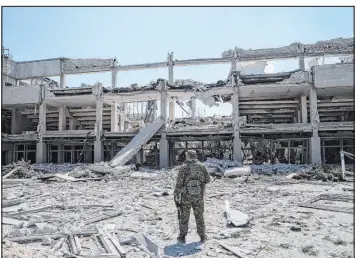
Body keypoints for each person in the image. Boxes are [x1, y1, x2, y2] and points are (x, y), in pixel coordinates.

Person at [174, 150, 211, 244]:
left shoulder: (184, 167)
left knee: (184, 216)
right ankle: (202, 236)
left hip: (186, 196)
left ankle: (182, 236)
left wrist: (176, 194)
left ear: (188, 156)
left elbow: (179, 183)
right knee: (199, 216)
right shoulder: (202, 166)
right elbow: (207, 179)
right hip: (198, 196)